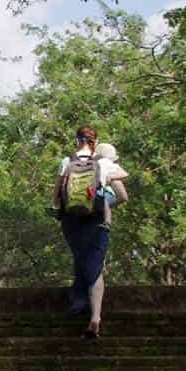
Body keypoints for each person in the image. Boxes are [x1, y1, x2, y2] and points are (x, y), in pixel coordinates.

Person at [52, 126, 128, 338]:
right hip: (95, 218)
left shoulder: (67, 161)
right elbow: (124, 175)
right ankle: (95, 316)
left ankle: (78, 301)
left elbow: (57, 191)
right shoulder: (102, 162)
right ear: (95, 141)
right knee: (94, 265)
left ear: (77, 141)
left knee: (81, 259)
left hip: (71, 219)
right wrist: (105, 179)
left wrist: (56, 208)